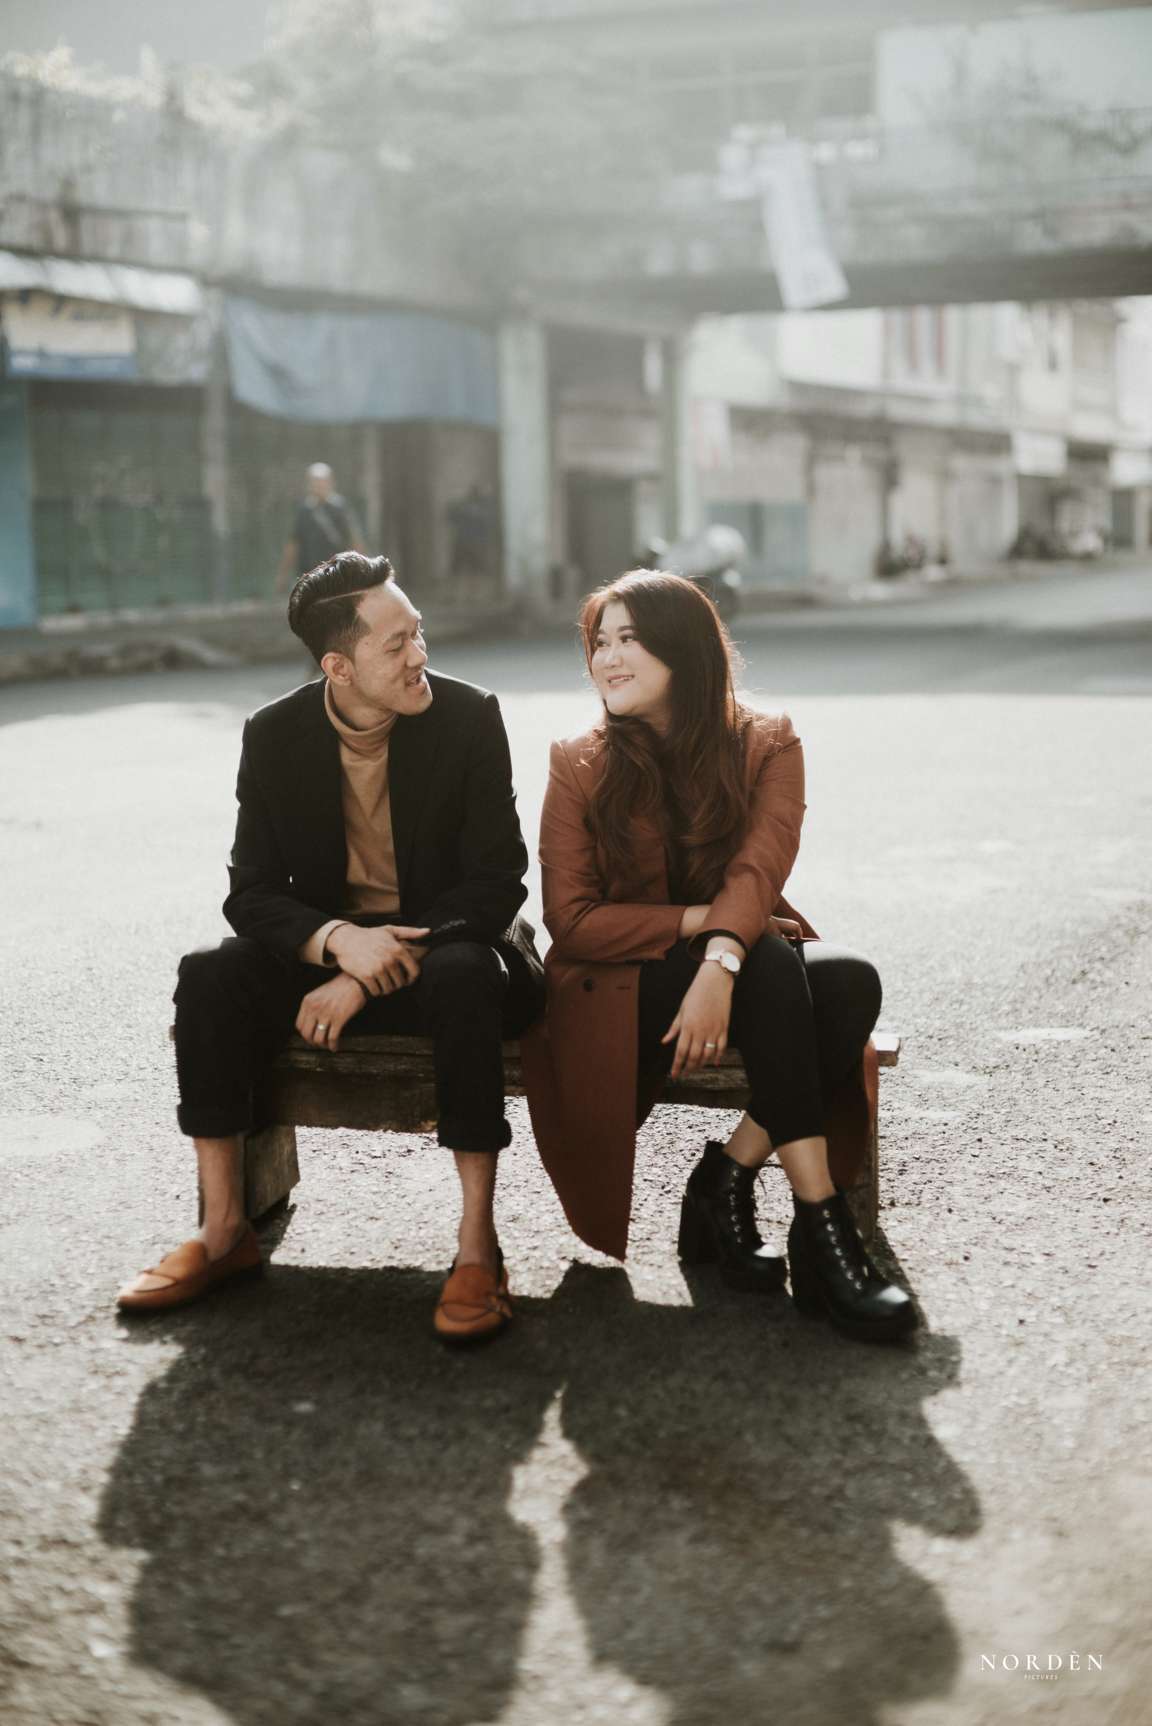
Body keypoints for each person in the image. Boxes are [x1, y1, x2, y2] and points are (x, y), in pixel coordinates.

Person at [117, 552, 544, 1343]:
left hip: (455, 948)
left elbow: (496, 882)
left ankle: (478, 1248)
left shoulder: (468, 716)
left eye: (419, 633)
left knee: (461, 976)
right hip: (334, 955)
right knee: (210, 976)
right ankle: (224, 1231)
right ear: (338, 667)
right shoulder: (274, 734)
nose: (419, 655)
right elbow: (251, 891)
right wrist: (339, 943)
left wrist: (367, 975)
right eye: (397, 644)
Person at [521, 570, 917, 1344]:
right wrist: (713, 935)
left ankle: (725, 1176)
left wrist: (718, 963)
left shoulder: (769, 741)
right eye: (599, 643)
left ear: (685, 650)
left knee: (846, 981)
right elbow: (572, 921)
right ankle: (822, 1227)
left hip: (735, 969)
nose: (607, 659)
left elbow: (759, 872)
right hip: (620, 985)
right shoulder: (578, 760)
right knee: (767, 961)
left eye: (629, 640)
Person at [277, 463, 367, 591]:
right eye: (315, 482)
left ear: (330, 483)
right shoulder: (304, 511)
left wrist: (362, 567)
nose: (319, 485)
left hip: (336, 571)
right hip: (309, 573)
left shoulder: (339, 508)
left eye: (322, 482)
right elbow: (294, 543)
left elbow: (354, 539)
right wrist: (283, 574)